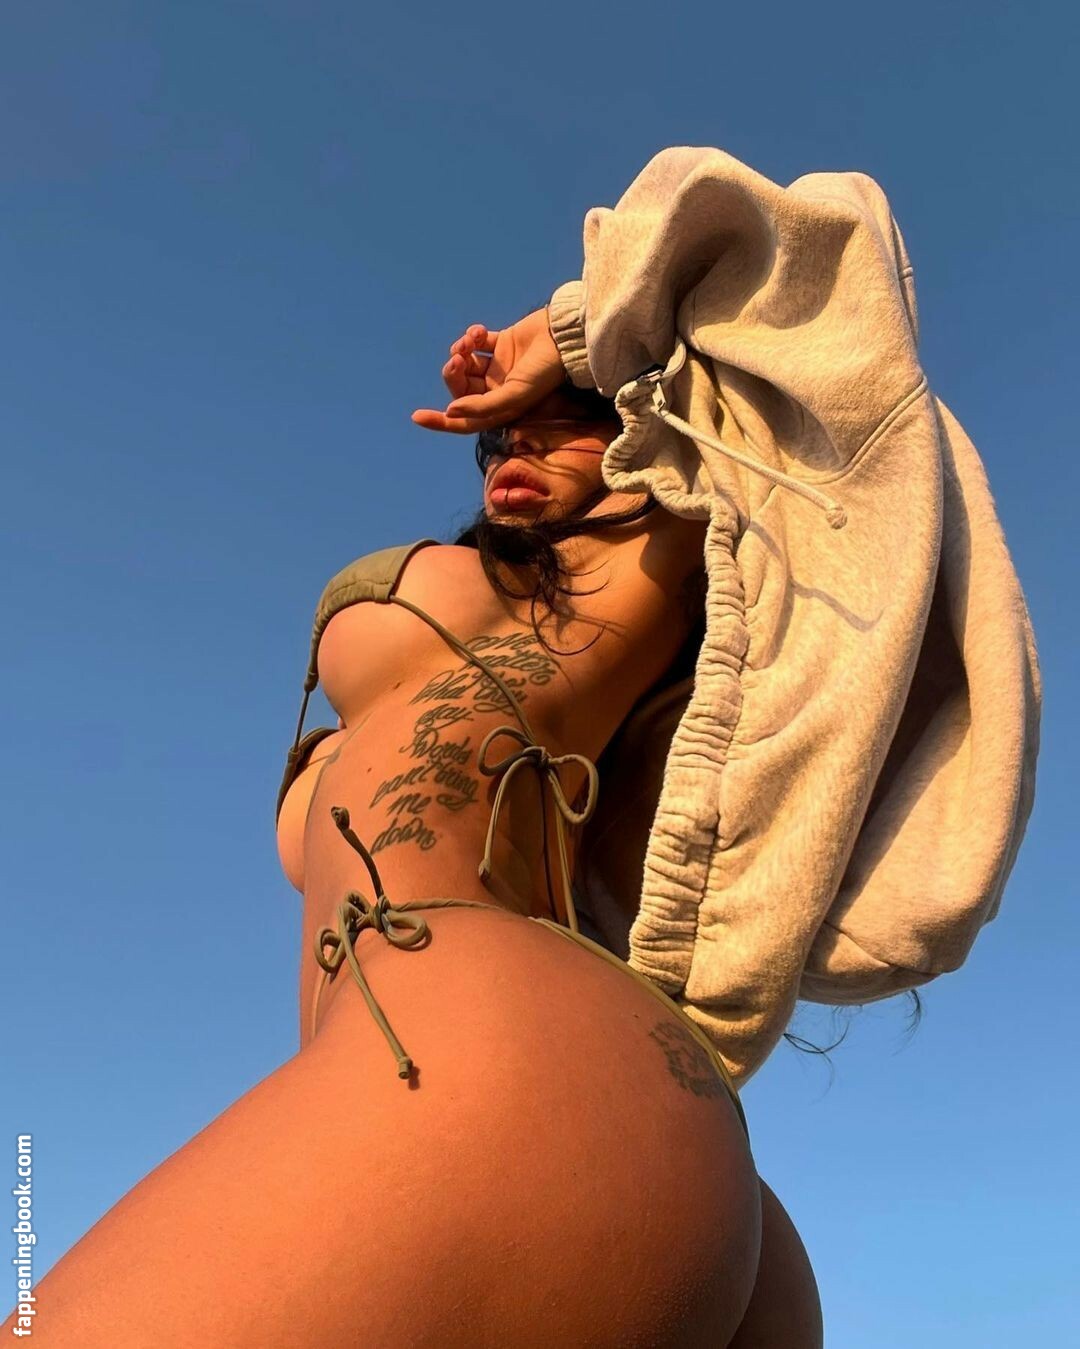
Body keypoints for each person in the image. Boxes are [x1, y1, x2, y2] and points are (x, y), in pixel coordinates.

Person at [6, 313, 821, 1344]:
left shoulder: (626, 565)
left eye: (560, 423)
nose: (518, 444)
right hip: (543, 1096)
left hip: (494, 1067)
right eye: (505, 435)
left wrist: (565, 336)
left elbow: (770, 331)